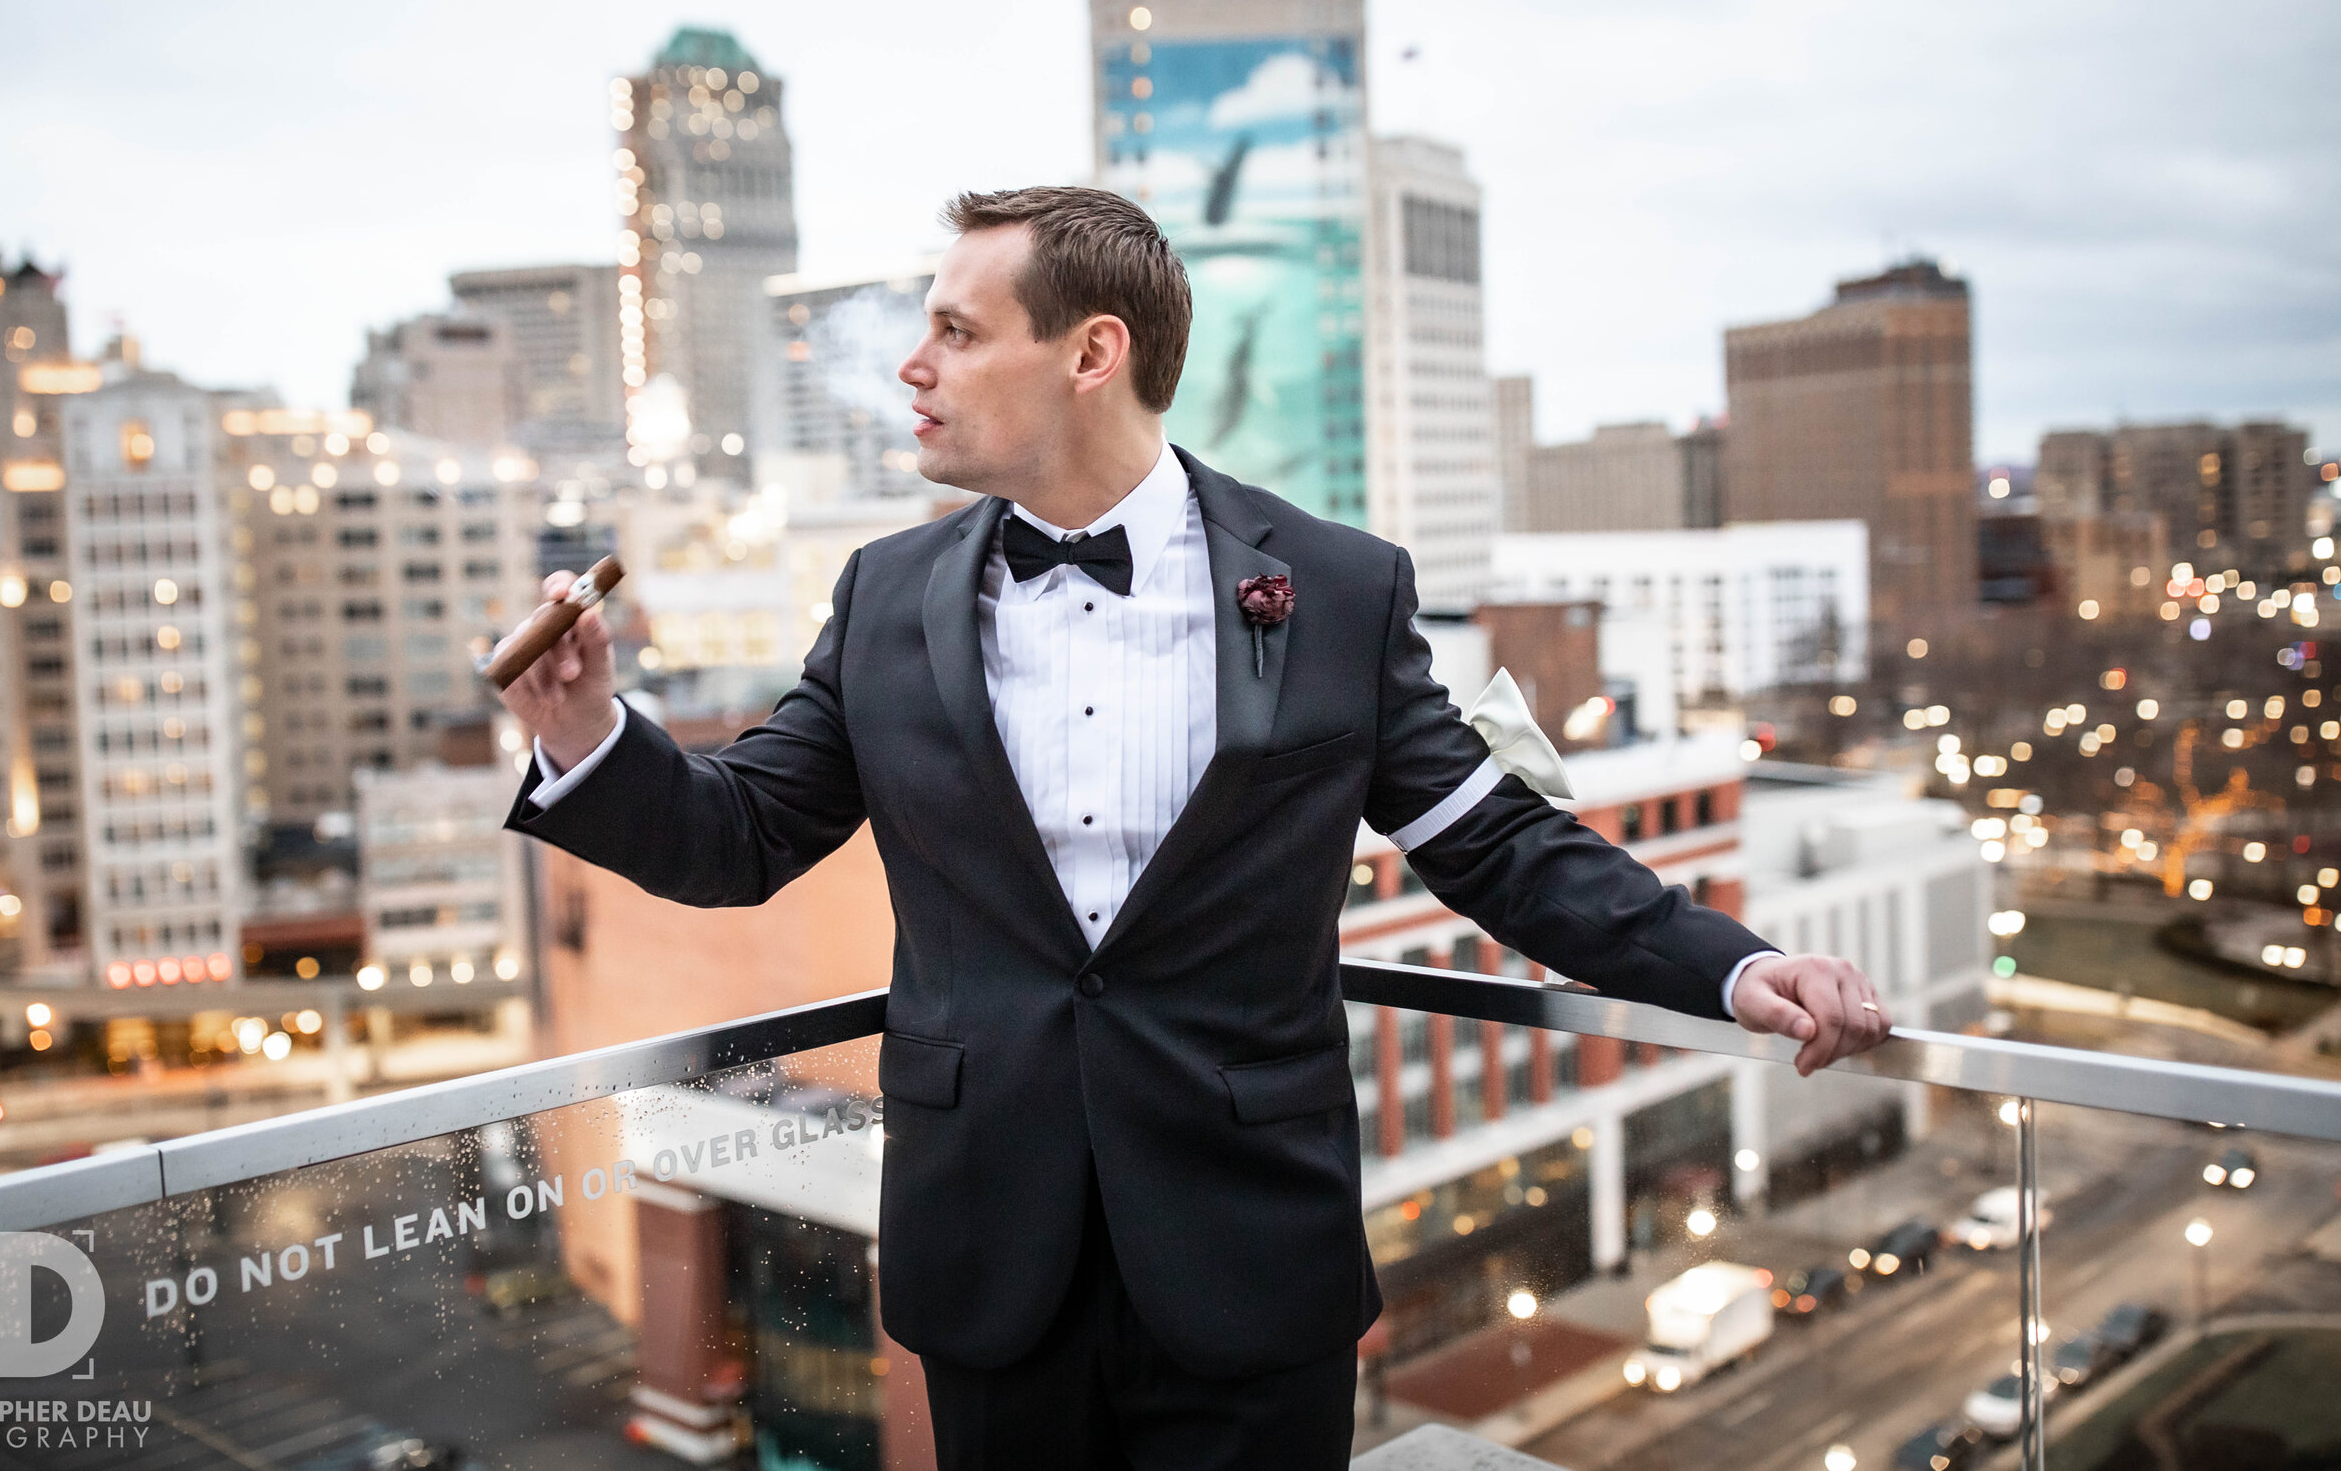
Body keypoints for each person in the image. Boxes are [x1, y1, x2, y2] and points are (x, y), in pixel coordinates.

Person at [498, 186, 1890, 1469]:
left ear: (1091, 352)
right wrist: (584, 734)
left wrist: (1729, 968)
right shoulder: (880, 596)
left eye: (955, 332)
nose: (911, 367)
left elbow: (1498, 845)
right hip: (987, 1256)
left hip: (1249, 1255)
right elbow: (737, 838)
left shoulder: (1339, 590)